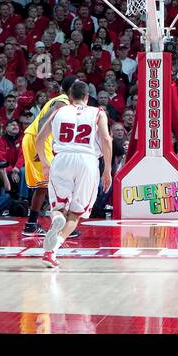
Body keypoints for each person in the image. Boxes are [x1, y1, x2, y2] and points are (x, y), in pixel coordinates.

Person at [36, 80, 111, 268]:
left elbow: (39, 139)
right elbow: (107, 140)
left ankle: (57, 218)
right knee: (76, 214)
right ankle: (52, 250)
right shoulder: (98, 113)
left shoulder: (59, 111)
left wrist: (45, 164)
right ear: (87, 97)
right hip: (87, 161)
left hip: (62, 158)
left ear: (70, 97)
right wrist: (107, 170)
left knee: (58, 207)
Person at [21, 88, 69, 235]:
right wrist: (40, 149)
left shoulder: (62, 101)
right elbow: (43, 121)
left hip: (36, 140)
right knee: (56, 183)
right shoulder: (63, 102)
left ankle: (31, 225)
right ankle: (62, 226)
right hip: (37, 140)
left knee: (44, 186)